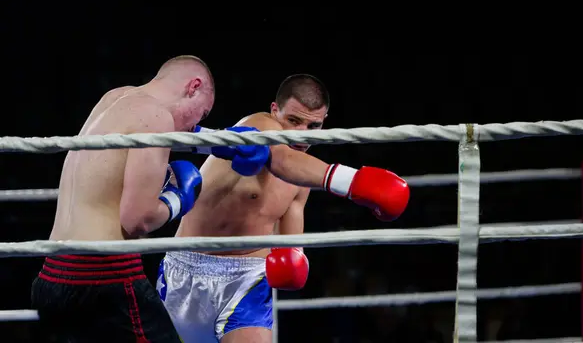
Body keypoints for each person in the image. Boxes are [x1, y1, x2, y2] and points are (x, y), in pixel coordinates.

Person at [30, 55, 269, 343]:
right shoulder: (158, 117)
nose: (195, 123)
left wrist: (220, 141)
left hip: (52, 279)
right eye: (202, 114)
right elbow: (137, 219)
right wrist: (177, 199)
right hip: (104, 278)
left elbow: (171, 133)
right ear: (193, 87)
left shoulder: (115, 99)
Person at [157, 74, 410, 343]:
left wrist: (294, 259)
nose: (300, 135)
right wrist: (355, 182)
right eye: (293, 121)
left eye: (314, 126)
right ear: (274, 110)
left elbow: (290, 243)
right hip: (186, 269)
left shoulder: (304, 179)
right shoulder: (255, 126)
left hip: (247, 281)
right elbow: (282, 159)